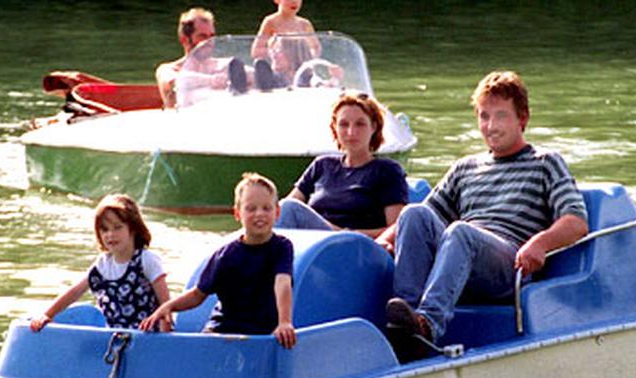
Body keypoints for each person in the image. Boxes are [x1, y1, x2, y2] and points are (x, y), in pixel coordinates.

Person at [377, 71, 589, 358]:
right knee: (414, 214)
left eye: (501, 116)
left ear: (522, 119)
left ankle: (428, 326)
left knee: (460, 232)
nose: (491, 126)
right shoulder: (466, 167)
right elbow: (426, 215)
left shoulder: (545, 162)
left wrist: (540, 242)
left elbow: (576, 222)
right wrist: (379, 244)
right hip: (462, 255)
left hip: (508, 262)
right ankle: (405, 322)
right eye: (484, 116)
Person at [140, 173, 296, 348]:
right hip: (223, 331)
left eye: (266, 208)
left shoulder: (282, 247)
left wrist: (284, 322)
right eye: (251, 209)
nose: (259, 214)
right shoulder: (226, 255)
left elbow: (282, 283)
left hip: (262, 334)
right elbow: (197, 294)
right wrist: (168, 307)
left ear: (277, 212)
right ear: (237, 214)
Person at [30, 194, 171, 332]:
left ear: (133, 229)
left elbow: (166, 304)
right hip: (114, 340)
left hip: (149, 338)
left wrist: (165, 338)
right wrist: (47, 315)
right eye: (104, 229)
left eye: (118, 227)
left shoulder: (147, 260)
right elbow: (75, 292)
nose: (110, 234)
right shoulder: (103, 265)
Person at [276, 92, 408, 238]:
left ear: (374, 127)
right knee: (282, 207)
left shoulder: (386, 171)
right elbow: (285, 207)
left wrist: (346, 233)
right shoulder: (322, 165)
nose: (351, 132)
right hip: (313, 244)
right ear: (335, 128)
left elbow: (397, 229)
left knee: (289, 208)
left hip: (354, 244)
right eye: (344, 125)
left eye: (360, 124)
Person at [155, 7, 226, 109]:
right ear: (184, 39)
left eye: (211, 36)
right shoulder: (167, 69)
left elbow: (251, 74)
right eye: (202, 36)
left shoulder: (223, 65)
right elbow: (174, 81)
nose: (209, 42)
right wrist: (213, 80)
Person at [251, 0, 320, 60]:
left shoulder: (305, 24)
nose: (294, 1)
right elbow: (256, 51)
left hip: (301, 69)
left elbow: (315, 47)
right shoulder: (270, 22)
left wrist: (307, 57)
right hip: (280, 70)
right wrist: (276, 52)